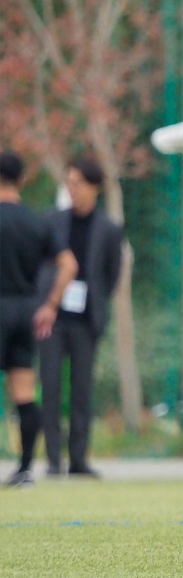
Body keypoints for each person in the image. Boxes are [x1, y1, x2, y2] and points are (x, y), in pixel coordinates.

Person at [37, 155, 123, 478]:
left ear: (94, 187)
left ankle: (78, 458)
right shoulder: (53, 222)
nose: (72, 190)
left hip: (87, 319)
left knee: (82, 389)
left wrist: (98, 303)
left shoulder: (109, 229)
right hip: (53, 317)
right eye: (69, 183)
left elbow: (112, 274)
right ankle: (53, 459)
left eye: (78, 183)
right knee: (50, 385)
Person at [0, 152, 77, 488]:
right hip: (27, 310)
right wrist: (50, 305)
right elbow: (69, 264)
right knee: (24, 391)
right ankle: (26, 469)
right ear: (21, 179)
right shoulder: (36, 222)